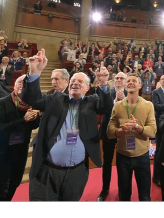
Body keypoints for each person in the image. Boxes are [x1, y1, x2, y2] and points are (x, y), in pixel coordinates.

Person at [21, 49, 111, 201]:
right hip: (47, 172)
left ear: (87, 88)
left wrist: (103, 84)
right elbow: (31, 98)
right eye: (73, 81)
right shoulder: (55, 99)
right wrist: (34, 72)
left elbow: (107, 107)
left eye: (80, 81)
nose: (75, 83)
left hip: (76, 174)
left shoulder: (92, 102)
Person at [107, 74, 157, 201]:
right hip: (122, 157)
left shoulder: (148, 105)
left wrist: (137, 127)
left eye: (134, 81)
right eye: (128, 81)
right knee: (124, 195)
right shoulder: (117, 106)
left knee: (145, 196)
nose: (130, 82)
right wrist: (120, 131)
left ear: (140, 86)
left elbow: (152, 132)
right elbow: (109, 132)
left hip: (142, 157)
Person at [0, 75, 40, 201]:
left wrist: (36, 117)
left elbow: (34, 126)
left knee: (14, 184)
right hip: (1, 153)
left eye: (26, 84)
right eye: (20, 82)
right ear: (14, 85)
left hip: (19, 153)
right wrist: (23, 120)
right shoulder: (0, 104)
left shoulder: (31, 105)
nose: (22, 85)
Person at [97, 72, 128, 201]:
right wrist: (116, 102)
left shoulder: (131, 93)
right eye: (117, 78)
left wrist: (124, 102)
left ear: (126, 81)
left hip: (125, 133)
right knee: (107, 162)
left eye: (122, 78)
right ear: (113, 80)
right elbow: (102, 109)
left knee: (124, 163)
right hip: (108, 132)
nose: (119, 80)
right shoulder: (106, 93)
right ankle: (105, 189)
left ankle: (123, 190)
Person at [151, 75, 164, 187]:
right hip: (160, 124)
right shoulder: (156, 92)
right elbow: (156, 106)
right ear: (160, 81)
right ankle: (156, 177)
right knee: (159, 150)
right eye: (163, 79)